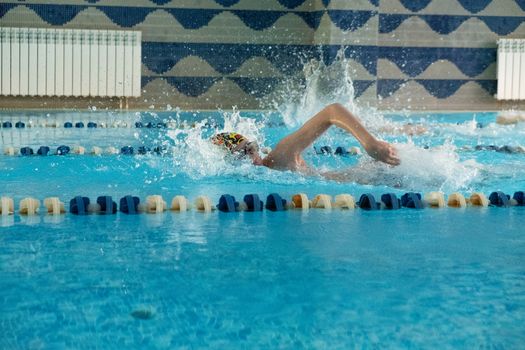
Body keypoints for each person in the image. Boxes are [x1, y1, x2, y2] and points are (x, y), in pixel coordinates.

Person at [211, 103, 400, 177]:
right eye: (243, 155)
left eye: (252, 149)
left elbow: (332, 111)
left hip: (384, 170)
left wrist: (370, 143)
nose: (254, 159)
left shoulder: (279, 158)